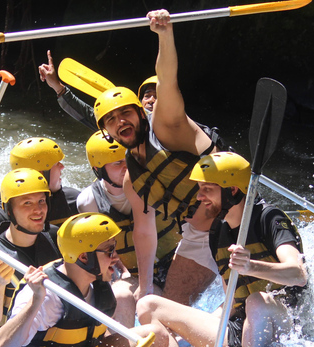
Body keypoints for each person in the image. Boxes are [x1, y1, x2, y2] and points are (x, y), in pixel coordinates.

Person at [93, 9, 227, 307]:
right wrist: (145, 286)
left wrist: (165, 36)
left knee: (251, 300)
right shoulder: (132, 178)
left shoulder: (168, 125)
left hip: (237, 216)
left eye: (126, 112)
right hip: (199, 234)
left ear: (142, 112)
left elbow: (167, 80)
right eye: (112, 120)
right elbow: (144, 232)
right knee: (164, 307)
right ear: (107, 132)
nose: (121, 121)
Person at [137, 152, 308, 347]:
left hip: (284, 327)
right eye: (200, 190)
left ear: (232, 190)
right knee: (149, 305)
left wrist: (251, 267)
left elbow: (298, 274)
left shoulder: (269, 218)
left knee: (256, 301)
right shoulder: (218, 232)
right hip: (240, 330)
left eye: (207, 190)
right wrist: (194, 331)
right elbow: (232, 303)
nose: (200, 197)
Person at [0, 212, 174, 347]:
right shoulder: (47, 294)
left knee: (156, 335)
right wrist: (35, 301)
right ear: (84, 258)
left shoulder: (97, 283)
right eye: (109, 251)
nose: (115, 257)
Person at [77, 130, 181, 326]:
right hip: (132, 273)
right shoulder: (88, 201)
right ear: (98, 169)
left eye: (128, 160)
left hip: (174, 265)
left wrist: (146, 286)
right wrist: (122, 271)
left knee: (152, 302)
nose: (126, 168)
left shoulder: (155, 185)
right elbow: (104, 249)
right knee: (121, 296)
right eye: (117, 163)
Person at [0, 168, 61, 347]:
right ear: (8, 210)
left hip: (54, 334)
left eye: (41, 201)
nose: (38, 210)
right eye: (27, 203)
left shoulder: (55, 237)